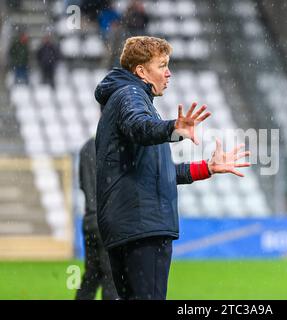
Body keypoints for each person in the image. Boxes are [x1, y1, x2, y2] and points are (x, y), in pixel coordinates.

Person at [94, 36, 250, 300]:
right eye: (162, 65)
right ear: (141, 71)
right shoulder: (130, 95)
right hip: (142, 225)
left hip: (127, 224)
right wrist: (172, 128)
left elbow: (155, 171)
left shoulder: (123, 97)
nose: (169, 73)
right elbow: (139, 127)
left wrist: (207, 168)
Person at [75, 137, 118, 300]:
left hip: (90, 220)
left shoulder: (86, 147)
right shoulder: (113, 146)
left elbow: (82, 185)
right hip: (107, 220)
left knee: (91, 275)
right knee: (111, 277)